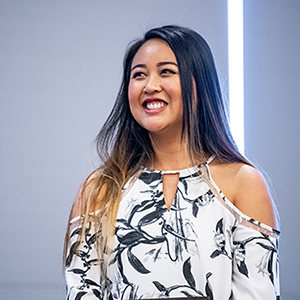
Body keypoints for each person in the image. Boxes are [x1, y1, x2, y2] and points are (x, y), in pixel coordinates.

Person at [64, 25, 280, 300]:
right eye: (139, 75)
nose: (150, 86)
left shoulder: (243, 183)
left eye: (166, 71)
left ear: (199, 83)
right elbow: (83, 291)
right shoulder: (100, 188)